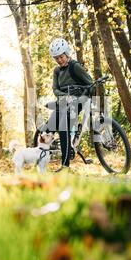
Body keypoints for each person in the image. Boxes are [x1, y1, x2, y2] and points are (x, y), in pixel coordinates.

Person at [43, 38, 94, 172]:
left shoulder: (75, 66)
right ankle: (41, 156)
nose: (59, 60)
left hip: (77, 101)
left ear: (67, 54)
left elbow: (90, 84)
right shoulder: (57, 71)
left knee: (63, 126)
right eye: (56, 58)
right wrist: (65, 96)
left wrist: (80, 98)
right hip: (63, 101)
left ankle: (65, 165)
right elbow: (55, 89)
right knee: (49, 127)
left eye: (61, 57)